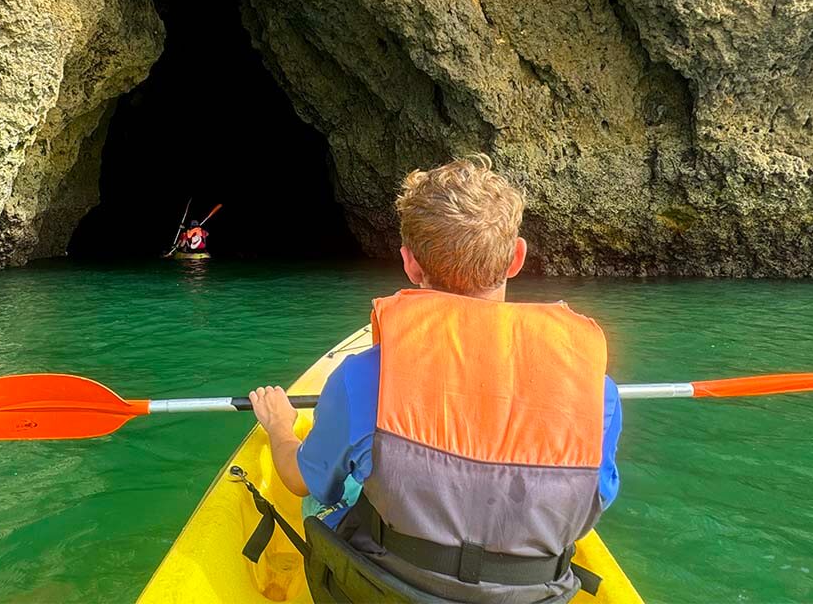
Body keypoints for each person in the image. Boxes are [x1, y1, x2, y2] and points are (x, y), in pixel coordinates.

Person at [249, 154, 622, 603]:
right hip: (534, 595)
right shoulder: (596, 393)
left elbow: (297, 480)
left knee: (331, 489)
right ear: (517, 257)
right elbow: (593, 501)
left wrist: (278, 427)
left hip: (391, 590)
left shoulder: (362, 377)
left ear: (409, 263)